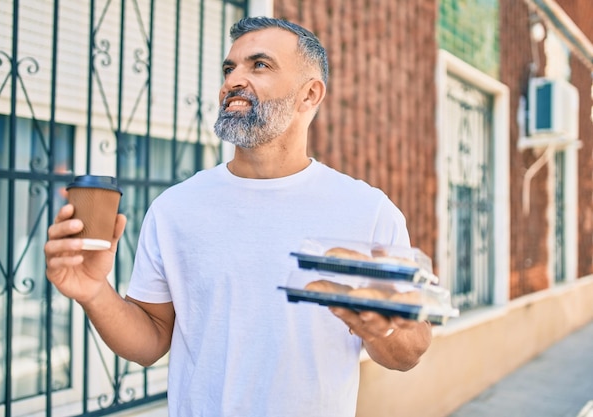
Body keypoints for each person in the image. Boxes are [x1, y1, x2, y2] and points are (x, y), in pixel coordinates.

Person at [45, 16, 432, 417]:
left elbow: (409, 352)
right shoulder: (176, 208)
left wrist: (383, 326)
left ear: (310, 94)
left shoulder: (367, 210)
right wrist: (94, 292)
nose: (233, 80)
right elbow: (151, 341)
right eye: (230, 68)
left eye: (259, 65)